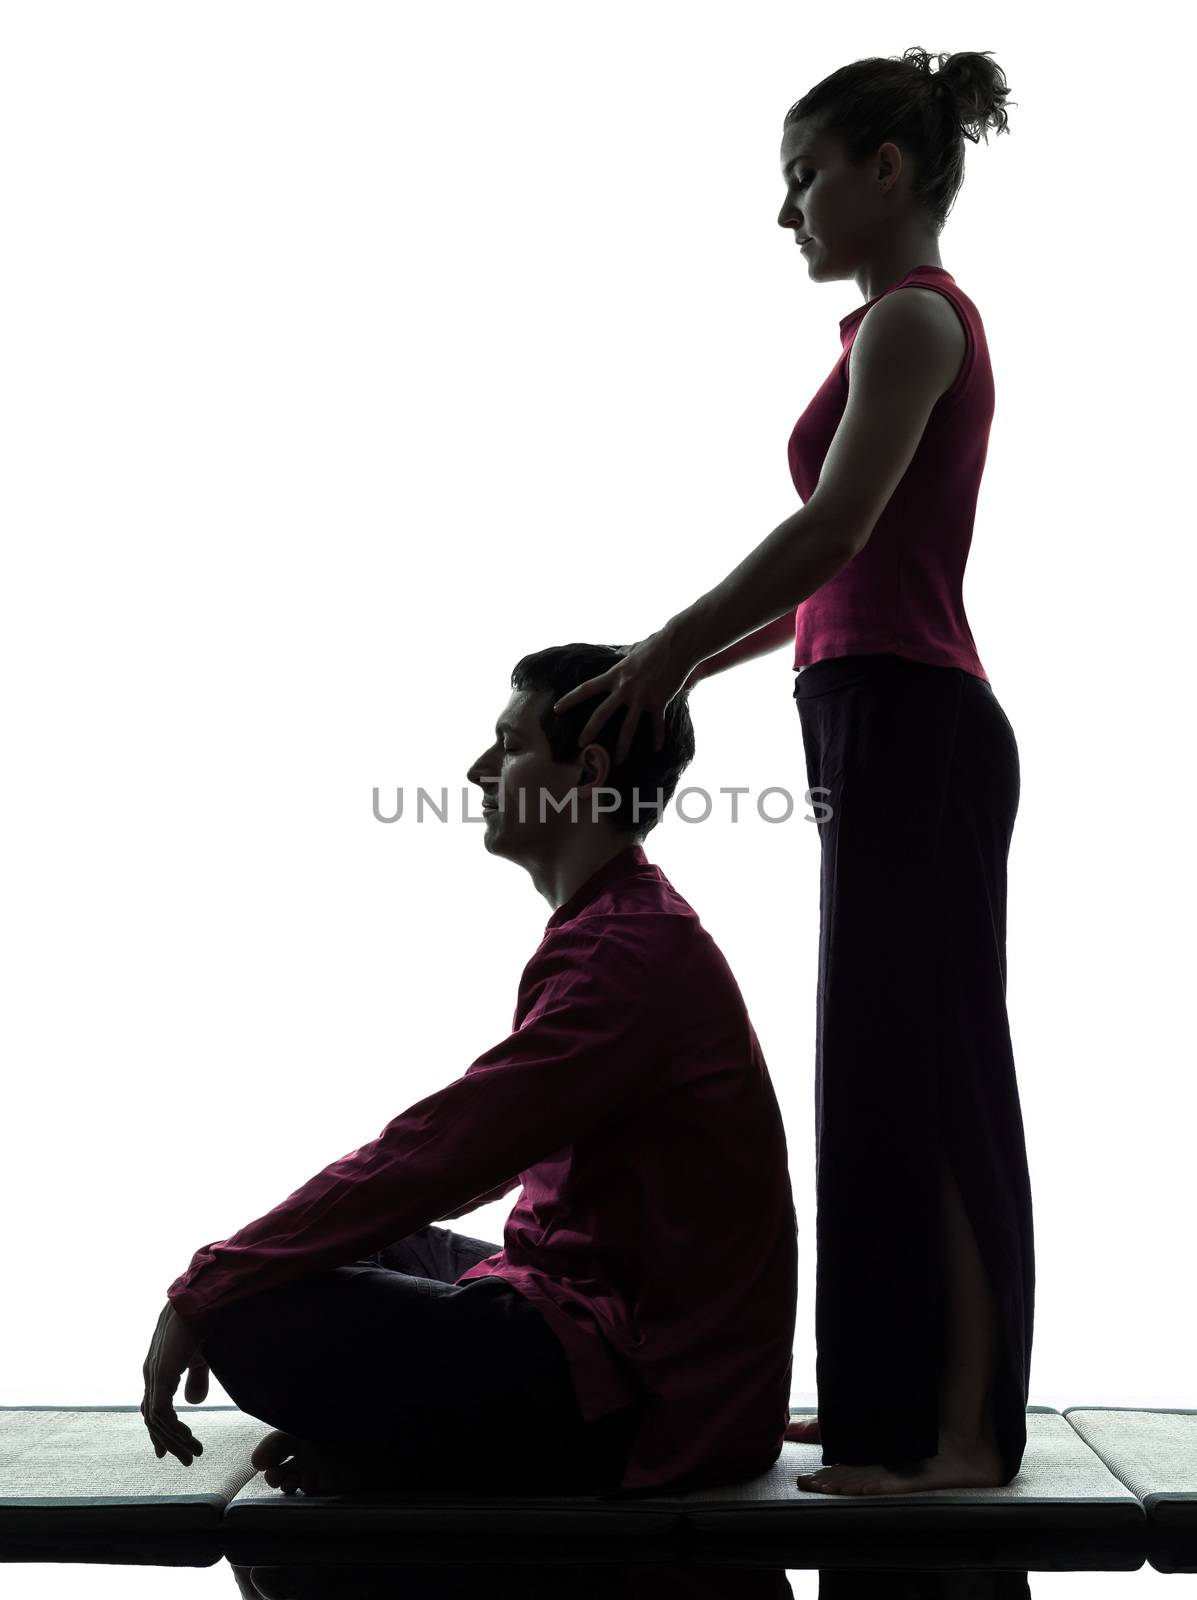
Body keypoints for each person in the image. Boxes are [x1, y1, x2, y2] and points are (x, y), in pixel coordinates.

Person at [550, 47, 1034, 1496]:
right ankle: (889, 1402)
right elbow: (831, 578)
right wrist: (689, 662)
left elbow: (833, 534)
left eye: (803, 174)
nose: (788, 213)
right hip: (868, 709)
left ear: (886, 169)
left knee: (935, 1069)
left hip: (917, 722)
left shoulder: (915, 325)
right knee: (876, 1067)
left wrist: (670, 639)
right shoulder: (876, 334)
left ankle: (961, 1434)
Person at [140, 642, 799, 1499]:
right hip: (590, 1314)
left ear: (584, 772)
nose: (478, 769)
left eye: (510, 745)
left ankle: (426, 1454)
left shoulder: (627, 953)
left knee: (240, 1298)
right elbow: (453, 1166)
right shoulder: (619, 923)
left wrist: (209, 1285)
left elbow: (450, 1147)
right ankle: (405, 1446)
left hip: (648, 1400)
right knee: (308, 1250)